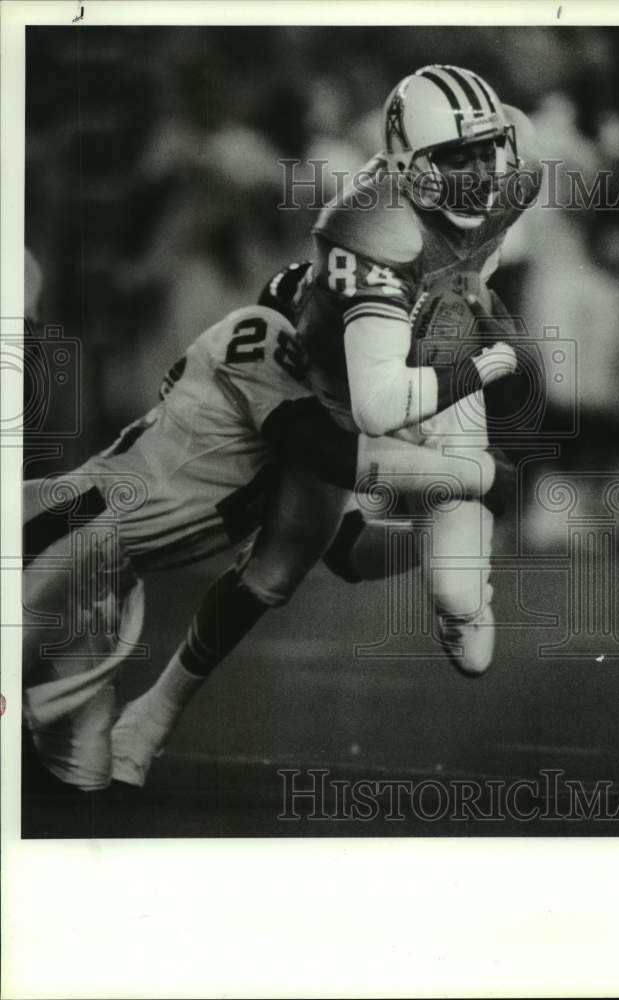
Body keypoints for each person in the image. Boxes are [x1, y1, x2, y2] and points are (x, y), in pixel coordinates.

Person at [108, 64, 544, 787]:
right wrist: (491, 367)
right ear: (406, 166)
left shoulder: (521, 159)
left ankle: (440, 555)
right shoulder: (370, 224)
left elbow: (483, 254)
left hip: (442, 348)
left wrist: (479, 303)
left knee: (461, 609)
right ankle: (152, 714)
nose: (477, 175)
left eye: (484, 152)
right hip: (347, 385)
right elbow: (378, 405)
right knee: (279, 566)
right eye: (453, 159)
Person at [23, 297, 509, 792]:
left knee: (80, 779)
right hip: (63, 531)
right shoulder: (261, 341)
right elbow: (328, 452)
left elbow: (346, 549)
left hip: (107, 584)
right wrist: (478, 475)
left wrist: (434, 541)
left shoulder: (324, 408)